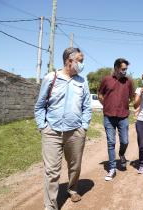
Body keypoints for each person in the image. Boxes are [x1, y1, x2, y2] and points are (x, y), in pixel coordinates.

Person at [34, 47, 92, 210]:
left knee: (75, 166)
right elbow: (39, 106)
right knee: (51, 171)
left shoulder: (82, 81)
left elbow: (87, 107)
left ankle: (72, 189)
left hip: (75, 132)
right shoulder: (50, 78)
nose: (82, 64)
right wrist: (42, 126)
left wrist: (84, 127)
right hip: (52, 131)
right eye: (80, 61)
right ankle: (50, 206)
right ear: (69, 60)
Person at [98, 58, 134, 181]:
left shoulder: (128, 82)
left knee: (125, 141)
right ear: (116, 68)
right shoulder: (106, 80)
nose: (125, 71)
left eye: (126, 69)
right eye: (123, 69)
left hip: (123, 116)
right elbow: (100, 94)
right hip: (108, 116)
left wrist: (123, 105)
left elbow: (131, 97)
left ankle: (122, 154)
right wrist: (106, 104)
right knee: (111, 142)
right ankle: (112, 168)